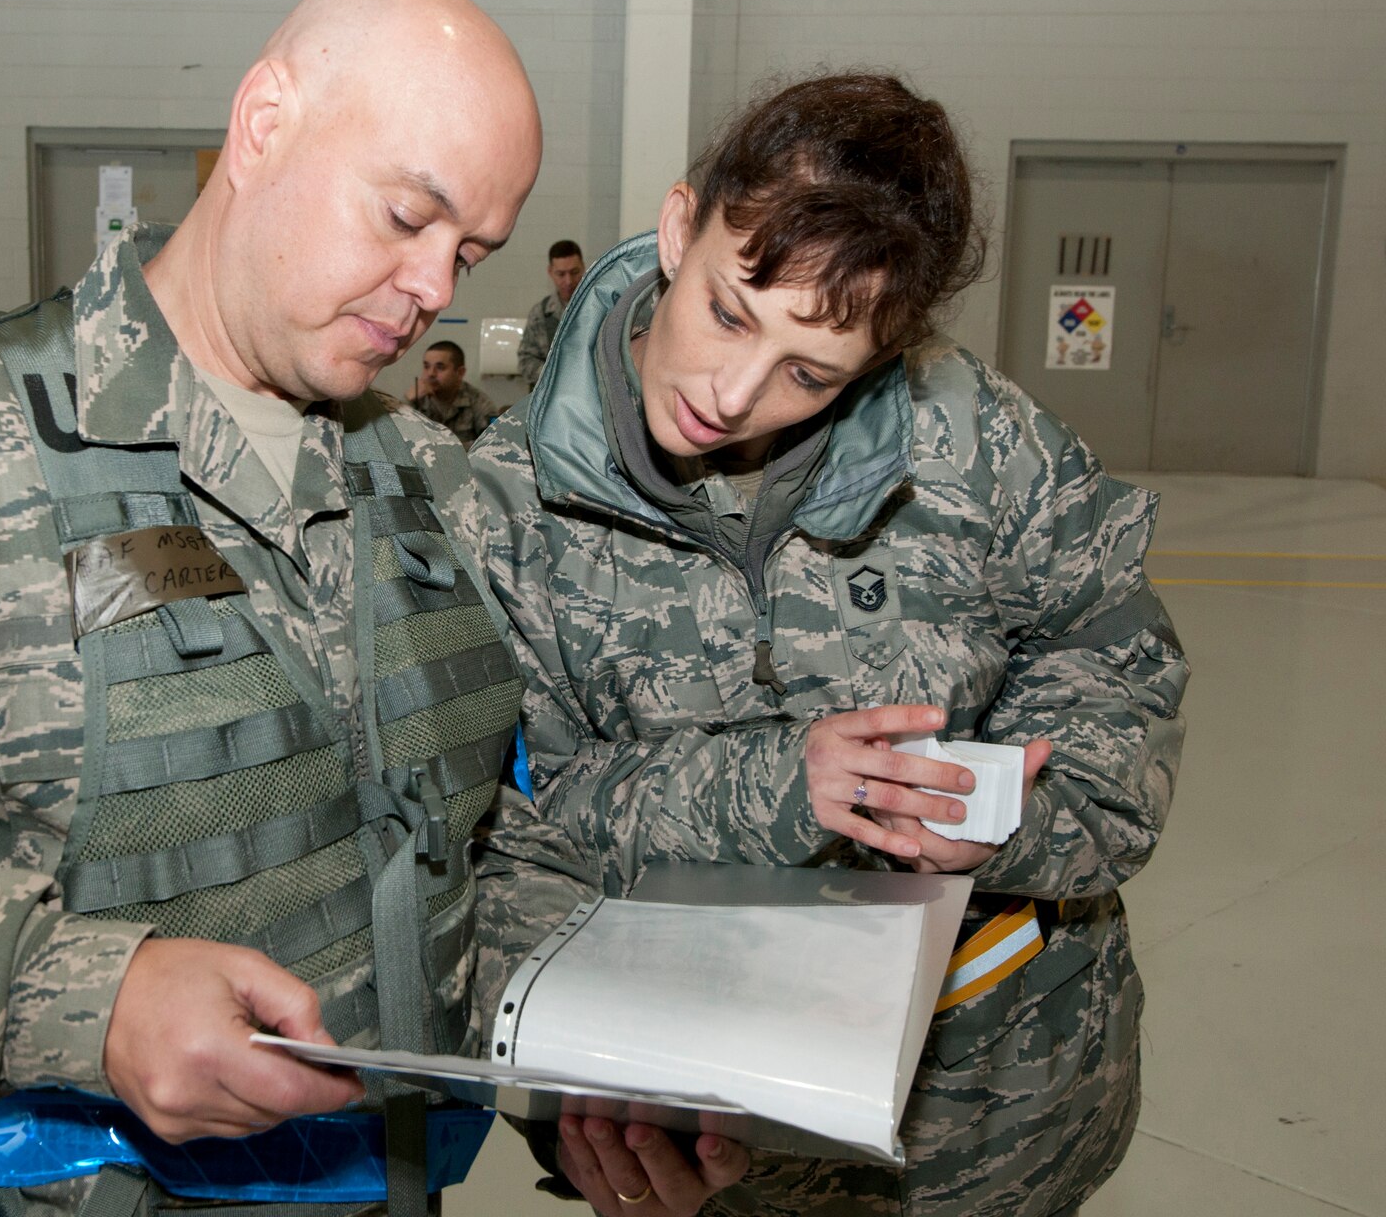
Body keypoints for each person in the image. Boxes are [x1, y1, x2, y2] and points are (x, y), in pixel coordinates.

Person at [0, 0, 740, 1217]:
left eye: (467, 250)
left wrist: (584, 1062)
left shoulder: (425, 479)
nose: (434, 289)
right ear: (261, 125)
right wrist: (85, 1001)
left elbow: (459, 836)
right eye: (405, 217)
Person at [471, 72, 1189, 1216]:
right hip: (713, 1142)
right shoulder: (504, 511)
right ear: (678, 225)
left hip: (1000, 1118)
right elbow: (510, 833)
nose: (731, 391)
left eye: (809, 373)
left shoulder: (977, 441)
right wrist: (568, 1111)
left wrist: (1004, 821)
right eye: (725, 311)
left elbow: (1115, 675)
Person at [517, 239, 584, 389]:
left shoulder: (599, 307)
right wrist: (555, 375)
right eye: (561, 274)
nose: (568, 281)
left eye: (574, 272)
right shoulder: (540, 313)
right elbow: (525, 361)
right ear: (550, 272)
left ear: (583, 268)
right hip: (550, 396)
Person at [409, 339, 500, 445]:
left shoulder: (479, 401)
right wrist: (407, 402)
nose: (430, 374)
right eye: (426, 366)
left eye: (440, 367)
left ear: (460, 372)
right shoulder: (416, 399)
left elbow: (493, 444)